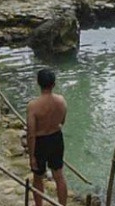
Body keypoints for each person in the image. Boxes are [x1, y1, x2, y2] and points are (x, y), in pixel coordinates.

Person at [27, 69, 68, 206]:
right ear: (54, 84)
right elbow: (62, 122)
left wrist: (31, 156)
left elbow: (31, 134)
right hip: (56, 138)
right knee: (59, 176)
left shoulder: (33, 106)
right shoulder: (61, 101)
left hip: (40, 142)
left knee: (38, 177)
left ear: (38, 83)